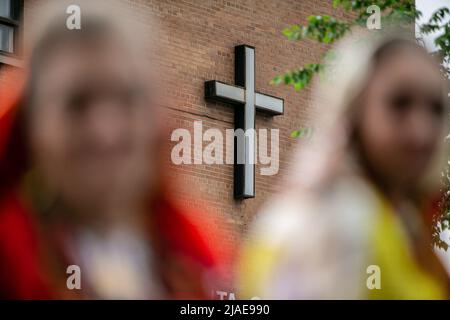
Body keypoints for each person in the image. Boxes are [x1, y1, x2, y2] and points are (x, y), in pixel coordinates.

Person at [0, 4, 233, 299]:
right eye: (77, 103)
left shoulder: (200, 263)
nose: (106, 132)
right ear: (31, 122)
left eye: (127, 99)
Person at [239, 30, 450, 299]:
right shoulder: (337, 221)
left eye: (436, 108)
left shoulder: (400, 222)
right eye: (399, 104)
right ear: (354, 109)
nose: (422, 131)